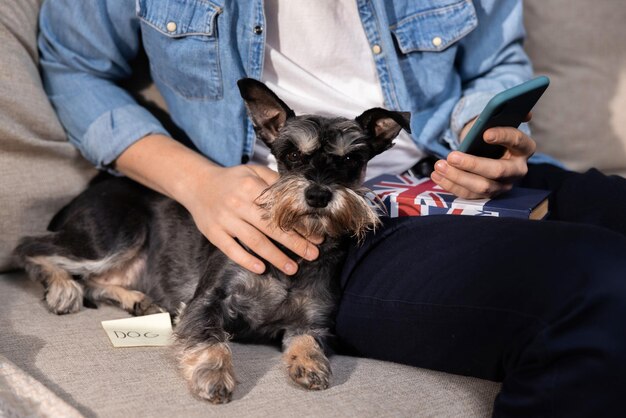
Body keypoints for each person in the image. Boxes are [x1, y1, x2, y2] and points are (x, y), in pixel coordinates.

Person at [38, 0, 626, 416]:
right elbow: (75, 67)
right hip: (321, 230)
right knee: (598, 279)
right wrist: (198, 183)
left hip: (449, 171)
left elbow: (496, 64)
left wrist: (484, 129)